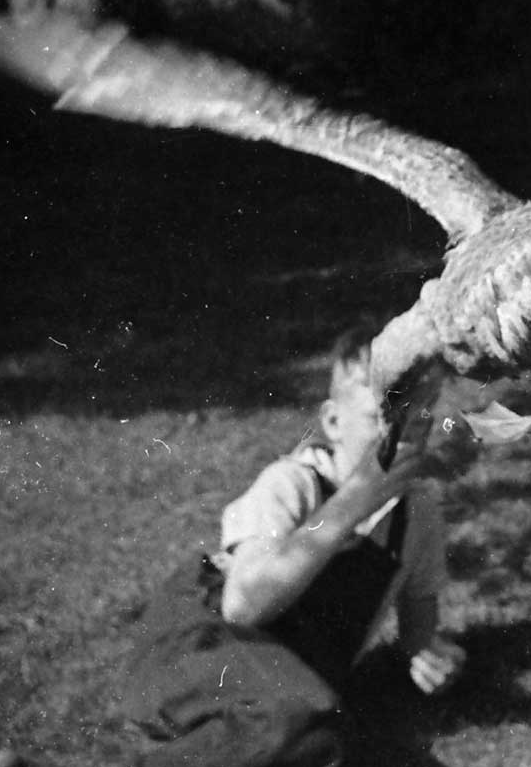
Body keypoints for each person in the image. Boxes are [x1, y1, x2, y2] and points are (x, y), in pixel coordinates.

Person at [117, 328, 467, 767]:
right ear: (333, 422)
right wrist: (352, 502)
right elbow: (243, 608)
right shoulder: (294, 485)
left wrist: (427, 656)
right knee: (299, 719)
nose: (401, 436)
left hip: (287, 687)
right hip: (200, 648)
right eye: (381, 418)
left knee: (324, 738)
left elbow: (418, 633)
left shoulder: (417, 517)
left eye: (417, 417)